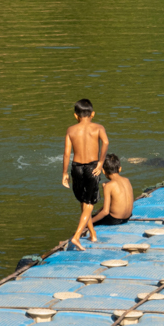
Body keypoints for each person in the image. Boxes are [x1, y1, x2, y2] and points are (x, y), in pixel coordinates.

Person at [61, 98, 109, 250]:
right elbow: (106, 143)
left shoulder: (70, 130)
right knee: (89, 204)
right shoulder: (98, 127)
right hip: (91, 167)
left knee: (84, 201)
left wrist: (64, 173)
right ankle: (76, 237)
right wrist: (101, 163)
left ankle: (92, 234)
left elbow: (66, 154)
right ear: (92, 114)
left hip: (76, 167)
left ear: (76, 115)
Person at [92, 154, 134, 227]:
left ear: (103, 171)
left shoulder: (108, 186)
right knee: (97, 215)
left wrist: (89, 222)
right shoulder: (127, 180)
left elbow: (105, 212)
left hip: (115, 219)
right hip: (127, 217)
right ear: (120, 168)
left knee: (88, 219)